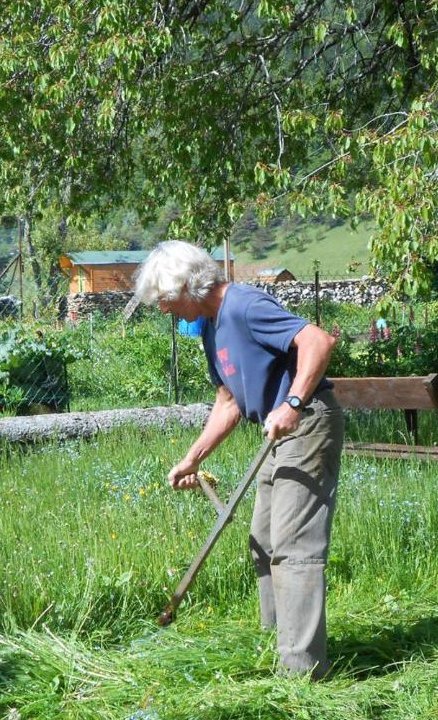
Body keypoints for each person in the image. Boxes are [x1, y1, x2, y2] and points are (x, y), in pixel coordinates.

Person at [133, 240, 344, 679]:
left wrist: (292, 401)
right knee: (263, 543)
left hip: (305, 423)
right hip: (276, 430)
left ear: (187, 285)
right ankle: (276, 642)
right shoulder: (210, 326)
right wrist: (193, 457)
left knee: (294, 548)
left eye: (165, 300)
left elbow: (316, 341)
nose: (164, 310)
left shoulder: (244, 306)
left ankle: (301, 672)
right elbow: (229, 400)